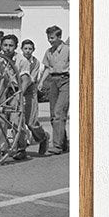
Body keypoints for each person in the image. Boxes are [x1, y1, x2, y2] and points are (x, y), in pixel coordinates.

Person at [0, 34, 48, 160]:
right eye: (5, 45)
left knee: (31, 123)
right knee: (16, 121)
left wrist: (18, 96)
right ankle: (21, 149)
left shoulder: (22, 61)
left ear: (15, 47)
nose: (7, 48)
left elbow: (26, 81)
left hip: (26, 91)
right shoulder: (0, 59)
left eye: (10, 46)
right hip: (12, 91)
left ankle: (43, 137)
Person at [41, 25, 70, 155]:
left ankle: (57, 146)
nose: (50, 40)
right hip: (53, 81)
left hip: (66, 81)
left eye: (52, 38)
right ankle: (64, 142)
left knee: (59, 112)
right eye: (48, 38)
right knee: (53, 115)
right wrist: (41, 82)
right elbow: (47, 68)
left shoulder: (68, 50)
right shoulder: (48, 52)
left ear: (59, 37)